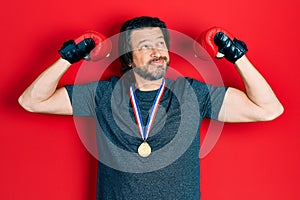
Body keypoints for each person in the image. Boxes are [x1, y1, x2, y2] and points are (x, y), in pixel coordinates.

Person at [18, 16, 284, 199]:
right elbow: (31, 101)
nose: (158, 51)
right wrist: (68, 58)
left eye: (160, 44)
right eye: (145, 46)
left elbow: (268, 109)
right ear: (129, 59)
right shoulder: (103, 94)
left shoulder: (192, 93)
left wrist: (237, 56)